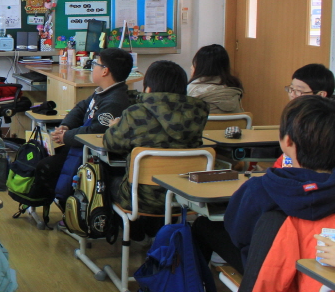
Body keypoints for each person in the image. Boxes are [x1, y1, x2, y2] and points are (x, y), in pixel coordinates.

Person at [191, 95, 335, 274]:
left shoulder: (260, 188)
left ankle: (197, 290)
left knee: (203, 225)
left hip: (268, 275)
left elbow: (238, 234)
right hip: (321, 277)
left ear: (287, 141)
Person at [104, 59, 210, 215]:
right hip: (185, 197)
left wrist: (114, 127)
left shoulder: (136, 113)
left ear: (148, 89)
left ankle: (123, 228)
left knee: (103, 179)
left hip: (140, 199)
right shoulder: (197, 114)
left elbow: (110, 144)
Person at [46, 48, 133, 206]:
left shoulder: (114, 101)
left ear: (105, 71)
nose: (93, 68)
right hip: (80, 147)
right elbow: (81, 108)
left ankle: (68, 208)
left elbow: (95, 131)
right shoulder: (103, 92)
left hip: (92, 157)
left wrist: (66, 136)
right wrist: (66, 126)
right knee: (45, 158)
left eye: (95, 64)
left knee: (46, 167)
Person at [272, 63, 334, 169]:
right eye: (291, 88)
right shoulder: (293, 114)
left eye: (299, 91)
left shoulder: (325, 123)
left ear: (320, 95)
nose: (292, 94)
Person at [187, 44, 244, 114]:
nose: (191, 67)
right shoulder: (234, 86)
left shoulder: (193, 88)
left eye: (194, 64)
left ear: (200, 66)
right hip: (235, 121)